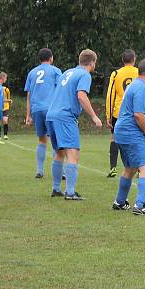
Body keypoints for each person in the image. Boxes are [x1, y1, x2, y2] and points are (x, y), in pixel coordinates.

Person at [45, 49, 103, 200]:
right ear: (92, 62)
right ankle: (70, 192)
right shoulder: (85, 75)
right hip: (65, 117)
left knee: (58, 153)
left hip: (52, 115)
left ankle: (56, 189)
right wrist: (94, 116)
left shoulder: (67, 72)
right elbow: (81, 96)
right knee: (73, 154)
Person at [112, 59, 145, 216]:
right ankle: (140, 205)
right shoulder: (141, 88)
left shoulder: (134, 84)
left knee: (130, 168)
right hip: (131, 132)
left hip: (121, 131)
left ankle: (119, 201)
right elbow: (138, 115)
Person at [24, 48, 62, 179]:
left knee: (42, 140)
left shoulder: (32, 73)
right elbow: (60, 91)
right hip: (51, 109)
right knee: (56, 140)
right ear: (51, 58)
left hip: (36, 109)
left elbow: (28, 95)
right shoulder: (56, 71)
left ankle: (39, 170)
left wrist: (28, 115)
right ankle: (60, 171)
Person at [105, 50, 139, 178]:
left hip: (119, 112)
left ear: (123, 60)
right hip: (136, 111)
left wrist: (108, 114)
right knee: (137, 138)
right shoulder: (139, 72)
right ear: (134, 59)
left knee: (114, 138)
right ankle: (139, 169)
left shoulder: (116, 73)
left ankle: (113, 167)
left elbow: (110, 95)